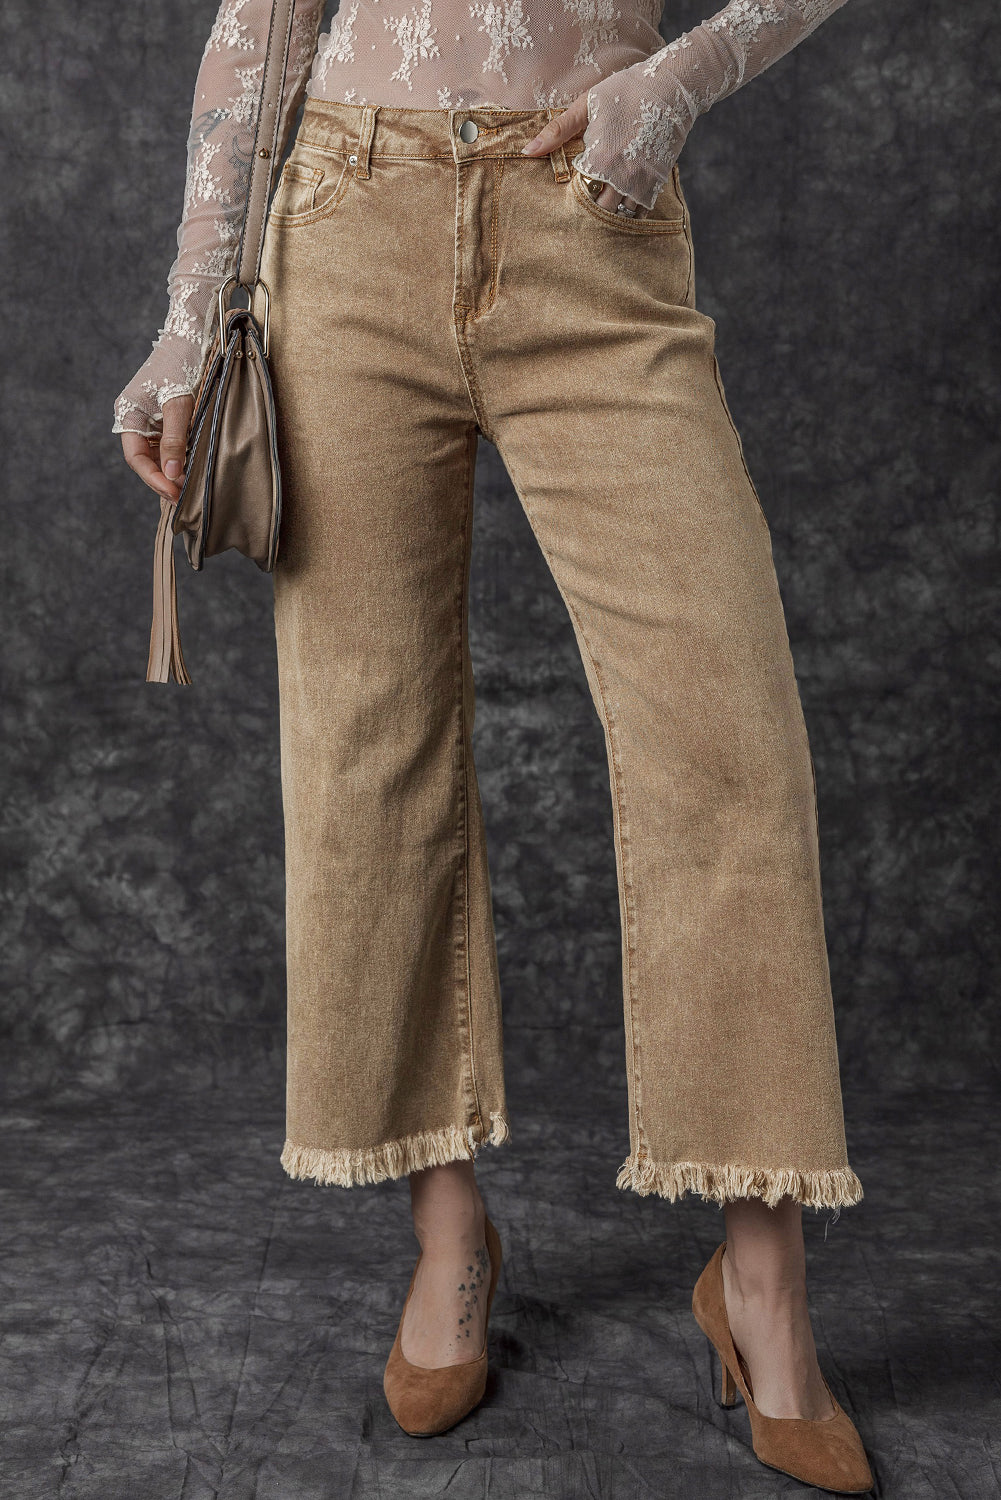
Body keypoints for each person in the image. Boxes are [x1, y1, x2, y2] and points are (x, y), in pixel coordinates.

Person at [114, 1, 873, 1489]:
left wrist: (675, 80)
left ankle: (763, 1281)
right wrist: (191, 318)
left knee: (727, 745)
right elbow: (263, 18)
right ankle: (449, 1234)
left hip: (592, 211)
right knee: (367, 751)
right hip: (345, 217)